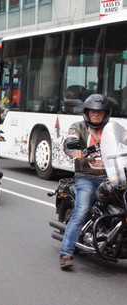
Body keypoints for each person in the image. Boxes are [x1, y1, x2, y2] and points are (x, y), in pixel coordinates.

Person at [59, 94, 111, 270]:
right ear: (87, 112)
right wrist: (74, 150)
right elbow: (69, 141)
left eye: (100, 112)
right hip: (86, 178)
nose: (97, 115)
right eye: (93, 112)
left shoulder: (111, 129)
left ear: (106, 114)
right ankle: (66, 252)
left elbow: (123, 139)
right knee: (82, 211)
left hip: (110, 177)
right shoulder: (79, 127)